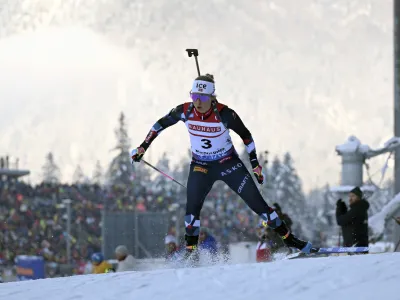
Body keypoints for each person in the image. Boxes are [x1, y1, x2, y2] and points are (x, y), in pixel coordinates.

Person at [131, 74, 318, 262]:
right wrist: (143, 147)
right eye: (194, 96)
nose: (198, 102)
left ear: (212, 97)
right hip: (201, 166)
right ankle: (190, 252)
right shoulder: (185, 111)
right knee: (191, 209)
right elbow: (159, 124)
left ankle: (290, 240)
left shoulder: (225, 114)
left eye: (203, 98)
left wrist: (255, 165)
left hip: (228, 164)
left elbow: (247, 136)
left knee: (259, 206)